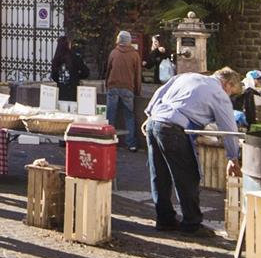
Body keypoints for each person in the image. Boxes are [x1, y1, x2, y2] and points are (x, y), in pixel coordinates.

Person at [144, 66, 243, 234]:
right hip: (174, 127)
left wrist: (148, 115)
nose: (230, 96)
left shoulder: (186, 76)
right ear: (227, 85)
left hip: (155, 122)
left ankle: (165, 220)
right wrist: (233, 158)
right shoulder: (219, 94)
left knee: (160, 175)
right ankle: (192, 224)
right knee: (188, 176)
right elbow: (228, 128)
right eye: (231, 92)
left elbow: (159, 93)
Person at [104, 30, 145, 152]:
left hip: (113, 87)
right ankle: (131, 143)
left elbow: (108, 71)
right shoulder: (134, 55)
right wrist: (137, 90)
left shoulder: (114, 53)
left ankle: (108, 140)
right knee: (129, 115)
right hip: (128, 88)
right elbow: (138, 75)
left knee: (110, 115)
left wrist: (107, 85)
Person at [51, 35, 89, 103]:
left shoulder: (56, 59)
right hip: (73, 89)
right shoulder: (74, 57)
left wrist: (60, 79)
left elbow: (53, 75)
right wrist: (77, 77)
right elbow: (85, 72)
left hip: (61, 90)